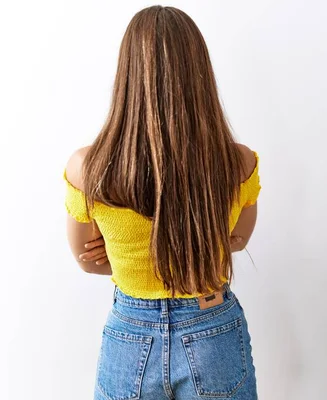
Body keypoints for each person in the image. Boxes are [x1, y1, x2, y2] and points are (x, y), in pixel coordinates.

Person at [64, 6, 260, 399]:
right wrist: (195, 245)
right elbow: (235, 239)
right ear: (199, 72)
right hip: (212, 326)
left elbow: (87, 259)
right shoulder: (238, 162)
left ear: (126, 74)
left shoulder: (89, 167)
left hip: (130, 332)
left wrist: (128, 254)